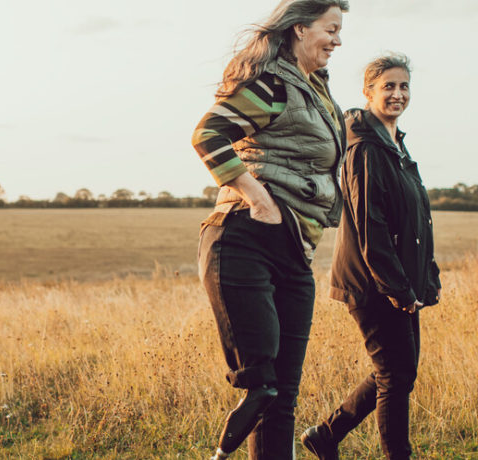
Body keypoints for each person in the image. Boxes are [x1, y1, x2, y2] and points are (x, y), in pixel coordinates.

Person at [190, 1, 349, 458]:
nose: (338, 40)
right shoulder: (274, 85)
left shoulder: (317, 93)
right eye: (330, 29)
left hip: (294, 249)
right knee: (263, 387)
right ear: (299, 29)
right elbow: (208, 134)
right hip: (245, 237)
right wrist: (257, 198)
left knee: (282, 395)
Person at [300, 53, 441, 460]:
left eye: (404, 87)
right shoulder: (364, 148)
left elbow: (416, 220)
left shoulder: (394, 145)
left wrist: (424, 278)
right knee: (395, 377)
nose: (397, 94)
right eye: (388, 87)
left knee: (398, 372)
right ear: (368, 92)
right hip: (372, 283)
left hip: (398, 282)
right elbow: (369, 224)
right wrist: (396, 287)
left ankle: (325, 435)